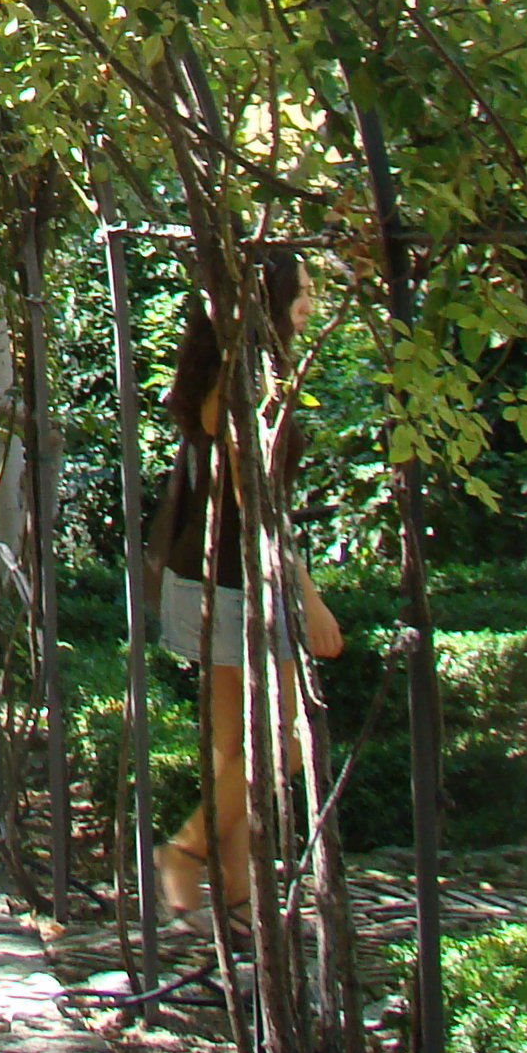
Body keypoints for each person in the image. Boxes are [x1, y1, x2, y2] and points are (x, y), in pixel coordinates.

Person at [149, 257, 342, 922]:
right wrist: (307, 596)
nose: (313, 303)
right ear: (270, 299)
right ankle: (184, 850)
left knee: (234, 746)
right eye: (304, 291)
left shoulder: (226, 372)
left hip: (204, 576)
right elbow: (256, 502)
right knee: (286, 739)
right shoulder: (249, 383)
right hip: (237, 585)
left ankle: (235, 895)